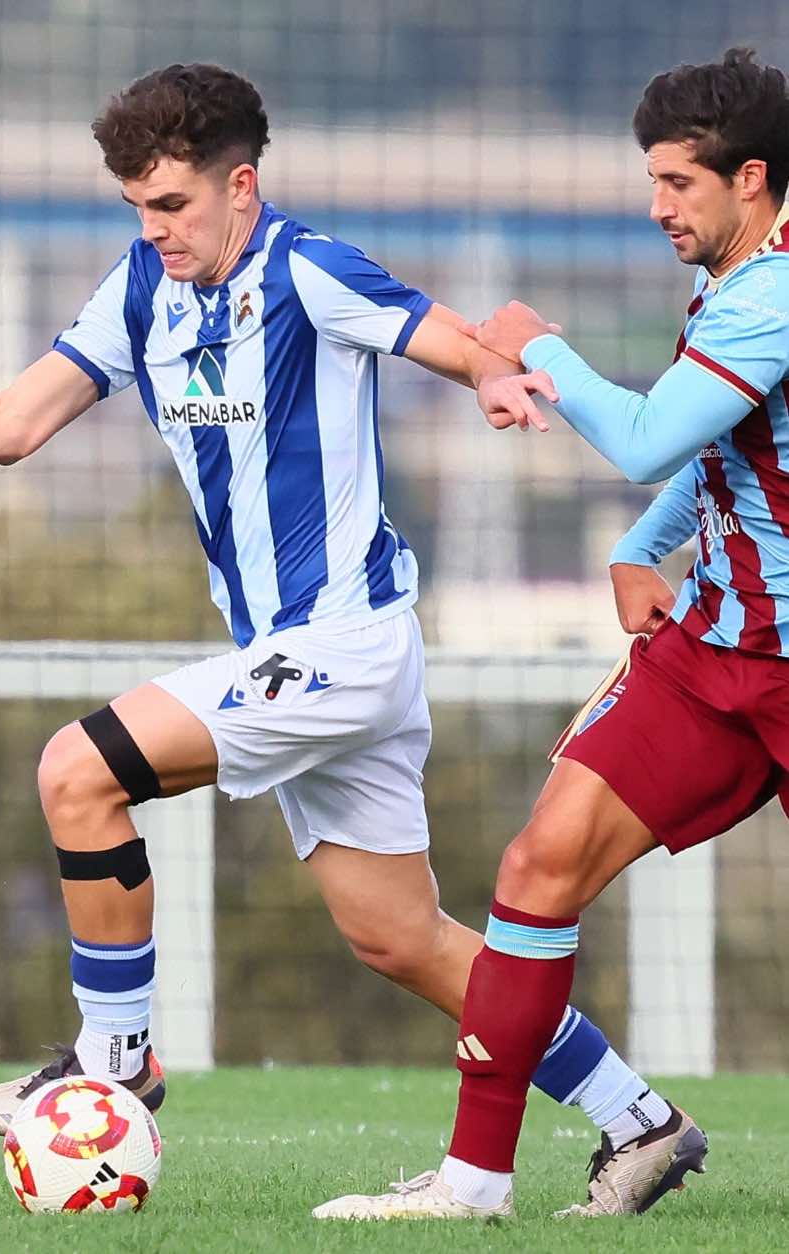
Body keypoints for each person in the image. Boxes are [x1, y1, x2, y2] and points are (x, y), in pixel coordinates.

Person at [0, 63, 694, 1215]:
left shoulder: (306, 267)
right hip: (310, 660)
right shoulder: (137, 293)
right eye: (138, 209)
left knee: (76, 770)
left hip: (342, 646)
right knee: (401, 939)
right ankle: (639, 1120)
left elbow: (444, 335)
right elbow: (13, 424)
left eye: (172, 206)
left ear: (239, 187)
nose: (154, 229)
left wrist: (492, 382)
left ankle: (115, 1063)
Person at [316, 46, 789, 1221]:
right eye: (652, 179)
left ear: (753, 179)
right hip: (713, 655)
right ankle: (475, 1182)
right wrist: (639, 550)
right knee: (535, 872)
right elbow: (714, 447)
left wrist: (533, 339)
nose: (655, 206)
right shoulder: (736, 284)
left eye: (678, 183)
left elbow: (641, 437)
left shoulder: (776, 294)